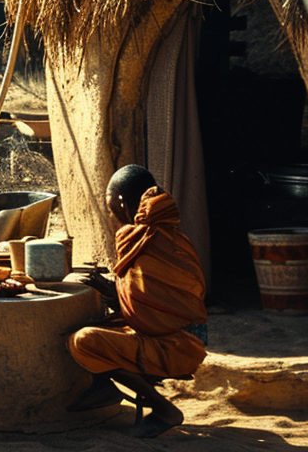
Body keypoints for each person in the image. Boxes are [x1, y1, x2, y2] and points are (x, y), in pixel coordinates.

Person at [66, 164, 207, 438]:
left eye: (110, 206)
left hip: (177, 346)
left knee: (83, 340)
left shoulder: (144, 240)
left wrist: (113, 294)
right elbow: (150, 301)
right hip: (175, 336)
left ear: (120, 201)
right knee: (89, 326)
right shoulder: (172, 238)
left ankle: (165, 409)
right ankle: (103, 387)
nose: (112, 214)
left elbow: (156, 311)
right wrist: (111, 290)